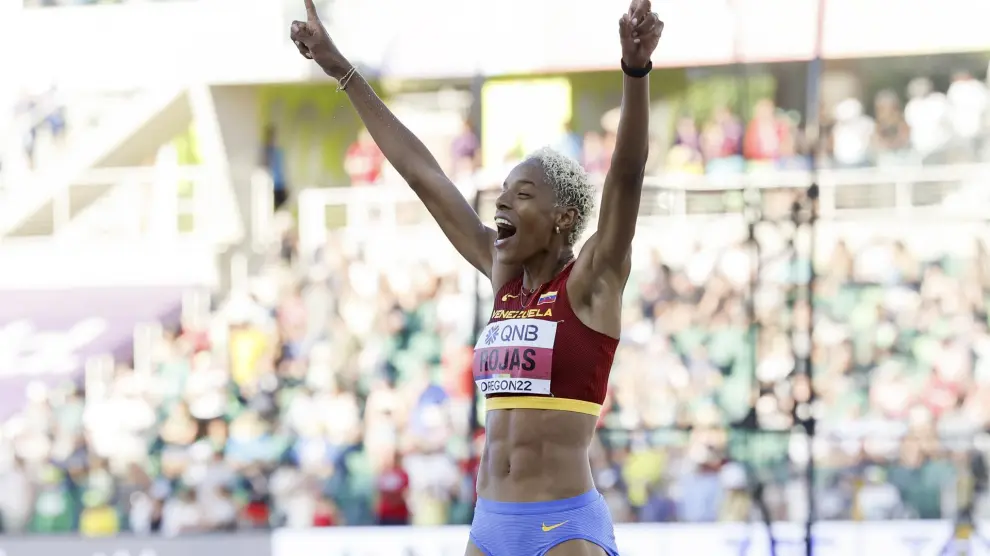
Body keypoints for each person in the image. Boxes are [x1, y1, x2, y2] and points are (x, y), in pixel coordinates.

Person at [290, 1, 662, 554]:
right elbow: (423, 175)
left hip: (562, 526)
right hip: (489, 523)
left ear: (563, 218)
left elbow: (626, 177)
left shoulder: (592, 280)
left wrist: (635, 71)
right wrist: (342, 70)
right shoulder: (502, 273)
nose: (502, 201)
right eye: (504, 191)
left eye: (523, 194)